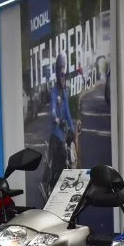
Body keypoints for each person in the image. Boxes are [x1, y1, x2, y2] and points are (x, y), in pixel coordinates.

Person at [48, 53, 77, 193]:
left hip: (64, 132)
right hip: (57, 133)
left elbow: (68, 112)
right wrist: (57, 120)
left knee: (71, 158)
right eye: (61, 75)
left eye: (64, 75)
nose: (63, 78)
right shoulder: (54, 92)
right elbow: (53, 110)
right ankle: (51, 186)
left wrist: (72, 129)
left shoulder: (64, 92)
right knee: (58, 162)